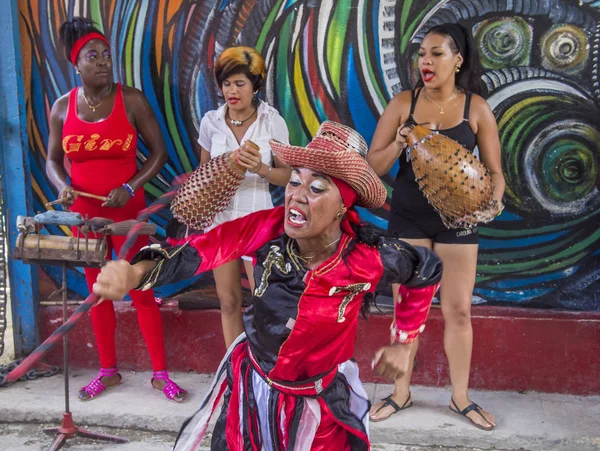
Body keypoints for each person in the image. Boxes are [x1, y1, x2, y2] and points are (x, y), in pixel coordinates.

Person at [92, 121, 443, 450]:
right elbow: (204, 249)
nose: (298, 195)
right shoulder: (268, 228)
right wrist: (136, 274)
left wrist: (404, 341)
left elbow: (424, 270)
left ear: (343, 205)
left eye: (317, 187)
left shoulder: (366, 258)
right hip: (252, 392)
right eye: (294, 181)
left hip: (319, 406)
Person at [367, 23, 505, 430]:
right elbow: (371, 168)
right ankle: (400, 394)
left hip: (458, 223)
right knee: (408, 309)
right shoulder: (402, 104)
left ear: (457, 59)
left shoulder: (475, 108)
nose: (425, 61)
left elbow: (496, 175)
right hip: (408, 216)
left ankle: (460, 399)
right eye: (422, 54)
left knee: (459, 311)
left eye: (436, 54)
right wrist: (400, 141)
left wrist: (492, 202)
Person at [45, 17, 187, 402]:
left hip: (128, 217)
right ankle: (108, 372)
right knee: (99, 294)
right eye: (94, 56)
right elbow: (52, 162)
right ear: (78, 64)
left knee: (142, 291)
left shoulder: (133, 100)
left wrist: (130, 186)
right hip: (86, 221)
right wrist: (63, 188)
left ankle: (161, 374)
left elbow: (159, 153)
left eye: (107, 55)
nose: (104, 61)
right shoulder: (62, 109)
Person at [195, 46, 291, 349]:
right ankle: (234, 369)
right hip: (220, 221)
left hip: (257, 220)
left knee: (264, 302)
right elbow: (203, 173)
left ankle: (263, 368)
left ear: (255, 85)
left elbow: (288, 176)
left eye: (239, 83)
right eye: (226, 83)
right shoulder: (211, 122)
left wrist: (261, 168)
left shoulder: (272, 121)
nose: (231, 91)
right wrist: (217, 178)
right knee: (228, 301)